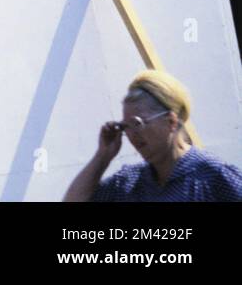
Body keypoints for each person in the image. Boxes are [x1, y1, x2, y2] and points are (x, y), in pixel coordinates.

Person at [64, 69, 242, 201]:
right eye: (125, 127)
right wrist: (102, 157)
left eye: (137, 124)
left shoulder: (212, 176)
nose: (132, 135)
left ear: (171, 121)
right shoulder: (130, 183)